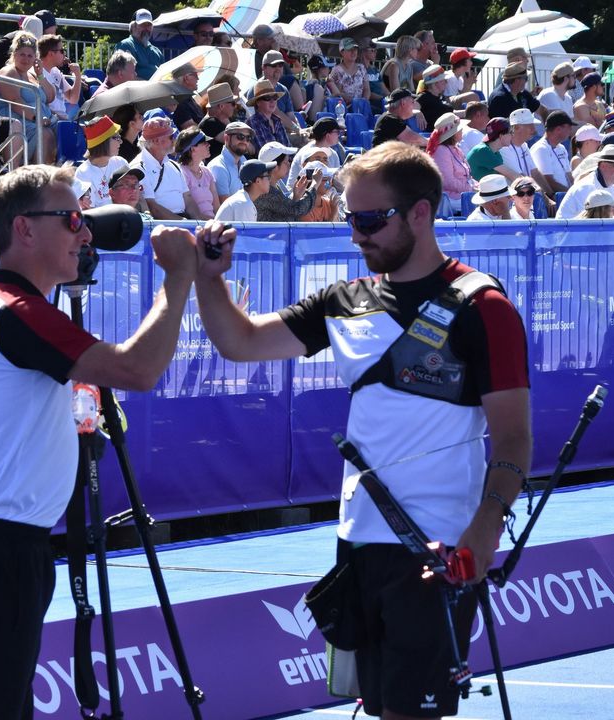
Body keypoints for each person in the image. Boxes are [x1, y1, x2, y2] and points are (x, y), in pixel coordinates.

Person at [193, 140, 529, 720]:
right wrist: (207, 276)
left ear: (421, 213)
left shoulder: (482, 305)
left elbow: (514, 438)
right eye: (351, 218)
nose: (356, 234)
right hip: (358, 542)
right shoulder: (344, 301)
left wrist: (483, 532)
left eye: (371, 219)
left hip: (438, 547)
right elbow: (239, 342)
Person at [0, 163, 205, 719]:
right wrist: (178, 278)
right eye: (72, 218)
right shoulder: (20, 313)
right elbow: (141, 370)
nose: (86, 232)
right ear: (24, 229)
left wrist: (35, 419)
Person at [0, 32, 55, 164]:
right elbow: (16, 102)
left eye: (30, 56)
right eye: (22, 54)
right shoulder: (9, 71)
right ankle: (39, 179)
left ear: (35, 58)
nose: (26, 59)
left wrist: (40, 75)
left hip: (42, 122)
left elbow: (50, 97)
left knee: (68, 130)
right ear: (14, 54)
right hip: (19, 122)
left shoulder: (33, 75)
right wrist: (37, 119)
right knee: (47, 135)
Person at [131, 116, 189, 220]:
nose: (174, 140)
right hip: (163, 225)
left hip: (183, 221)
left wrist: (200, 222)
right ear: (157, 141)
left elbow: (189, 199)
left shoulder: (174, 165)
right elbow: (153, 208)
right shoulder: (138, 168)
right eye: (171, 137)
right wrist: (184, 223)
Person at [557, 144, 614, 219]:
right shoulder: (585, 188)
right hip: (568, 230)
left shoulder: (613, 188)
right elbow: (588, 221)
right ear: (603, 165)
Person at [73, 115, 126, 208]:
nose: (121, 141)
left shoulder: (120, 163)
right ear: (103, 142)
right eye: (116, 137)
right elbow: (90, 211)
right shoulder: (84, 173)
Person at [255, 141, 315, 222]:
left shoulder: (275, 185)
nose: (289, 165)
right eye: (286, 162)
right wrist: (314, 186)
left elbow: (286, 209)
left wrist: (296, 196)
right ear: (275, 166)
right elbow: (297, 210)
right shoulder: (266, 190)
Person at [427, 112, 474, 216]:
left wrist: (477, 185)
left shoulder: (455, 149)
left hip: (461, 194)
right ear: (452, 134)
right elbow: (447, 182)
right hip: (451, 198)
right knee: (487, 203)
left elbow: (467, 176)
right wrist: (470, 188)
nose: (462, 130)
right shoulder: (441, 151)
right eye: (459, 129)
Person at [36, 35, 80, 122]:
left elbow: (72, 99)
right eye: (62, 51)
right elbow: (43, 107)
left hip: (63, 120)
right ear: (51, 53)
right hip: (52, 121)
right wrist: (63, 119)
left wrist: (78, 76)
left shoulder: (55, 71)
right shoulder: (37, 72)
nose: (65, 55)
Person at [287, 117, 341, 187]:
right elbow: (309, 184)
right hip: (299, 193)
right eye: (337, 132)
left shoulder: (333, 154)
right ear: (327, 135)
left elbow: (336, 181)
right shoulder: (308, 153)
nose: (339, 135)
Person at [208, 120, 251, 205]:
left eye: (248, 138)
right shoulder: (218, 167)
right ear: (226, 138)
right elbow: (226, 206)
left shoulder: (245, 162)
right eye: (240, 136)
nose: (245, 141)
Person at [176, 127, 215, 220]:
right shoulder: (181, 173)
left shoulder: (207, 172)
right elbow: (190, 211)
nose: (209, 145)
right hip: (196, 227)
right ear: (193, 149)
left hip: (212, 224)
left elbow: (216, 207)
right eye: (204, 143)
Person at [531, 111, 574, 194]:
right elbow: (548, 181)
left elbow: (569, 176)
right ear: (558, 129)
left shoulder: (561, 148)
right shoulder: (541, 149)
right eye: (569, 127)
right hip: (555, 198)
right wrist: (571, 194)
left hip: (565, 195)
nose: (571, 130)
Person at [500, 108, 542, 191]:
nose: (534, 130)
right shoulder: (504, 148)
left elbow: (535, 173)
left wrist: (550, 193)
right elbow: (521, 178)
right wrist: (546, 198)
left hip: (528, 192)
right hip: (518, 196)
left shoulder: (524, 145)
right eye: (530, 126)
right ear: (516, 127)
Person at [116, 9, 163, 80]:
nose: (146, 28)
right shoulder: (125, 45)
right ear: (133, 27)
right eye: (143, 25)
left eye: (149, 25)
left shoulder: (157, 52)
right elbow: (121, 77)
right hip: (136, 89)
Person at [466, 118, 518, 183]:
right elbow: (512, 175)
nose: (513, 135)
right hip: (476, 192)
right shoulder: (483, 151)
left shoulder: (495, 152)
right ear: (501, 135)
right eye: (511, 132)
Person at [247, 79, 289, 155]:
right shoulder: (253, 122)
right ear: (258, 102)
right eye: (267, 98)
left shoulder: (277, 120)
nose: (272, 101)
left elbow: (287, 147)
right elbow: (265, 153)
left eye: (274, 97)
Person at [332, 38, 370, 108]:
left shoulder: (361, 68)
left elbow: (367, 89)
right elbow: (337, 94)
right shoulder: (337, 71)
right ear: (342, 52)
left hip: (361, 107)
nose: (353, 52)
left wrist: (363, 103)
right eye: (350, 49)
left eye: (355, 49)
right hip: (343, 108)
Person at [415, 64, 453, 129]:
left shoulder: (439, 97)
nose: (446, 82)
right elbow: (412, 106)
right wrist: (418, 112)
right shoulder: (424, 96)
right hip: (432, 134)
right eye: (443, 80)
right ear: (434, 83)